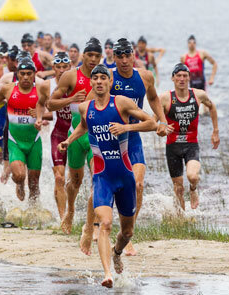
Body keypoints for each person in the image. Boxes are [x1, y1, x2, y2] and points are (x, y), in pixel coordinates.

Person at [58, 64, 157, 288]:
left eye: (104, 78)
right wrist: (69, 140)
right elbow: (83, 127)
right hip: (102, 177)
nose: (100, 81)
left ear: (110, 82)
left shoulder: (121, 102)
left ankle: (117, 252)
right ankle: (107, 274)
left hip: (125, 177)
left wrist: (126, 129)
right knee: (105, 223)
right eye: (96, 78)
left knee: (127, 231)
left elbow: (151, 123)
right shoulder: (85, 107)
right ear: (92, 83)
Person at [84, 38, 170, 256]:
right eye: (118, 56)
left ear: (133, 56)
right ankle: (91, 227)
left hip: (132, 139)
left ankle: (127, 233)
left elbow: (153, 98)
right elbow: (89, 105)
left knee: (138, 184)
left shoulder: (145, 76)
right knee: (101, 184)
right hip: (108, 142)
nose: (123, 61)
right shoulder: (108, 77)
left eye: (127, 56)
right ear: (113, 57)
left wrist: (161, 121)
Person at [47, 37, 103, 236]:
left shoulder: (105, 77)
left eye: (97, 56)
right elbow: (50, 105)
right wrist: (71, 99)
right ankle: (70, 210)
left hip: (97, 137)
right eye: (90, 55)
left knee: (98, 180)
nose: (93, 59)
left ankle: (94, 226)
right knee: (75, 183)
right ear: (83, 55)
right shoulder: (71, 77)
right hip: (76, 137)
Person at [157, 63, 219, 211]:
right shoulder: (165, 98)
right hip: (172, 147)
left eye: (185, 76)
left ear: (189, 78)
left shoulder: (198, 95)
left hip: (191, 145)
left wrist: (215, 130)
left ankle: (193, 189)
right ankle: (181, 217)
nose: (182, 79)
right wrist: (161, 129)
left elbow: (212, 106)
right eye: (178, 76)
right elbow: (154, 122)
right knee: (178, 188)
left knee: (192, 176)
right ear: (173, 78)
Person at [0, 58, 49, 204]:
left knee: (34, 183)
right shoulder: (8, 89)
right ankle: (19, 184)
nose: (26, 77)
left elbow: (51, 112)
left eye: (29, 73)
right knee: (20, 175)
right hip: (15, 141)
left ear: (34, 74)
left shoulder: (41, 90)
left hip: (34, 142)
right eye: (22, 74)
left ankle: (33, 211)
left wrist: (40, 117)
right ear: (17, 74)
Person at [36, 52, 72, 219]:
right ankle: (62, 218)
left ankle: (71, 209)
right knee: (59, 177)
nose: (62, 70)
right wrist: (38, 118)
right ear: (53, 68)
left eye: (65, 67)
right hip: (57, 135)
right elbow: (40, 104)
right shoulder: (46, 85)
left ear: (70, 67)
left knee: (74, 180)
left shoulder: (76, 84)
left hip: (76, 135)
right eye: (58, 67)